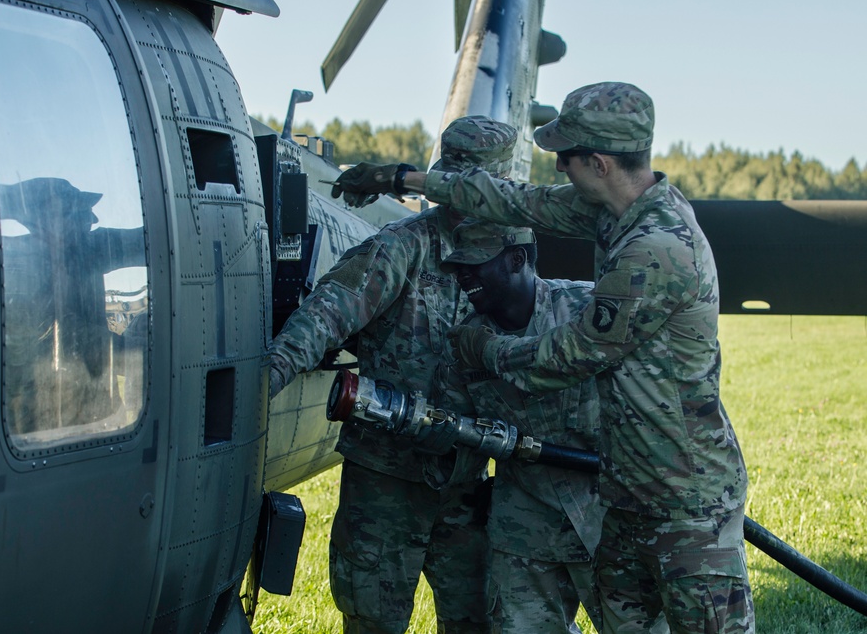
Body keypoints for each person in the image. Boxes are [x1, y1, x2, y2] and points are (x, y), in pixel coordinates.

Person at [331, 82, 755, 633]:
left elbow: (574, 352)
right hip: (627, 488)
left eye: (564, 158)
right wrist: (401, 179)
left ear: (598, 163)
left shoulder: (657, 248)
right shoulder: (616, 212)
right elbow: (514, 200)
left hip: (685, 498)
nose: (558, 169)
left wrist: (488, 350)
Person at [268, 116, 518, 633]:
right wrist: (265, 379)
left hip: (469, 481)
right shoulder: (402, 247)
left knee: (483, 618)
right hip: (387, 481)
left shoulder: (516, 261)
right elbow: (327, 314)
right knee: (373, 619)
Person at [436, 219, 604, 633]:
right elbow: (460, 439)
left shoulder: (586, 310)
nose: (463, 275)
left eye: (474, 263)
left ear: (517, 258)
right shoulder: (464, 345)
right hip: (525, 524)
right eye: (458, 267)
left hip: (609, 511)